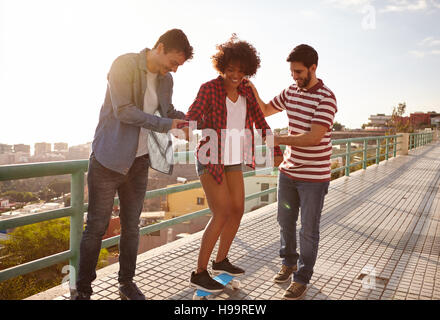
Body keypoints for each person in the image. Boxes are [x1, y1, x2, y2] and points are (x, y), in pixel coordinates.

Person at [71, 29, 193, 300]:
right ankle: (83, 290)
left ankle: (126, 283)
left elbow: (165, 111)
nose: (174, 69)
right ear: (160, 47)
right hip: (109, 159)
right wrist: (165, 124)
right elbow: (123, 110)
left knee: (131, 226)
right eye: (173, 62)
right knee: (96, 227)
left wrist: (188, 118)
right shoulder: (123, 64)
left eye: (178, 66)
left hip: (140, 161)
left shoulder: (166, 79)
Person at [185, 35, 283, 293]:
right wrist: (181, 125)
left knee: (237, 209)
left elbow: (261, 122)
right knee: (221, 212)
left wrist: (275, 147)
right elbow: (193, 114)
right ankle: (199, 273)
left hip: (233, 159)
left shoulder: (246, 92)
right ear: (222, 67)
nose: (236, 75)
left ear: (248, 70)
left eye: (241, 70)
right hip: (210, 158)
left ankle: (221, 261)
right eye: (231, 70)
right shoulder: (209, 88)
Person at [248, 44, 337, 300]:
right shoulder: (290, 91)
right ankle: (289, 262)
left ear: (313, 68)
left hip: (314, 178)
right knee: (285, 222)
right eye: (292, 72)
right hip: (288, 173)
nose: (295, 77)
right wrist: (250, 86)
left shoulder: (326, 98)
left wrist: (279, 140)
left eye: (299, 72)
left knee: (308, 230)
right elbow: (265, 109)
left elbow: (314, 137)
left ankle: (302, 277)